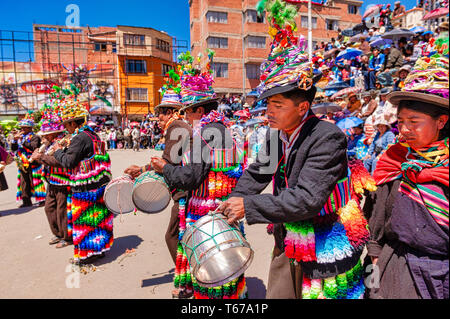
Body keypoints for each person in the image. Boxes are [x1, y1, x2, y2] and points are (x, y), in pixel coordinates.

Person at [218, 1, 369, 299]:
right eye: (267, 105)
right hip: (288, 234)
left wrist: (249, 207)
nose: (268, 113)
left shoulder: (327, 137)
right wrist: (235, 198)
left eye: (277, 105)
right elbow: (257, 174)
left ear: (302, 107)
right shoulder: (278, 136)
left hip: (325, 239)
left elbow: (307, 198)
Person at [149, 51, 248, 299]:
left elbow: (190, 178)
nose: (185, 117)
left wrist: (165, 168)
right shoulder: (228, 130)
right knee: (226, 262)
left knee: (210, 266)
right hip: (225, 208)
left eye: (189, 112)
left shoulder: (204, 135)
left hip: (206, 211)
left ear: (200, 110)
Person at [365, 51, 448, 299]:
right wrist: (374, 266)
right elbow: (376, 217)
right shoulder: (395, 159)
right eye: (401, 121)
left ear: (441, 121)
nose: (404, 129)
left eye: (414, 121)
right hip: (395, 268)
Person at [124, 82, 193, 298]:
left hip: (184, 191)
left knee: (173, 236)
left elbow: (168, 162)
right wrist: (143, 169)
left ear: (171, 112)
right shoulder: (179, 126)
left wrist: (142, 169)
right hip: (185, 188)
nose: (158, 119)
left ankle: (188, 283)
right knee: (182, 236)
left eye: (161, 114)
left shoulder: (177, 127)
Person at [50, 94, 113, 264]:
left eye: (66, 125)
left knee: (85, 220)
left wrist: (58, 151)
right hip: (98, 184)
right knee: (97, 219)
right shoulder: (92, 135)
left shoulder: (79, 138)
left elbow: (69, 162)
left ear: (73, 122)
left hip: (84, 188)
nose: (66, 129)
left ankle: (86, 254)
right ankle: (98, 250)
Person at [31, 107, 72, 249]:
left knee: (62, 210)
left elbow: (61, 162)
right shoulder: (49, 144)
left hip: (63, 181)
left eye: (47, 135)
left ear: (55, 133)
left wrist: (41, 157)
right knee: (49, 208)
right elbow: (46, 160)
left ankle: (67, 236)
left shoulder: (64, 142)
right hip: (52, 181)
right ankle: (58, 233)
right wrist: (38, 156)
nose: (44, 137)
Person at [11, 114, 46, 207]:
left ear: (30, 128)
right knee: (24, 181)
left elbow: (33, 147)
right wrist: (14, 140)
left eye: (24, 128)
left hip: (33, 162)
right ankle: (26, 200)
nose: (22, 130)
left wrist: (22, 140)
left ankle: (42, 199)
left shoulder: (35, 137)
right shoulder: (20, 138)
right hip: (22, 163)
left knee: (36, 180)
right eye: (21, 128)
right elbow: (13, 149)